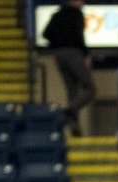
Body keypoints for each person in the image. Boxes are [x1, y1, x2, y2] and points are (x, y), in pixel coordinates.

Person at [43, 0, 93, 136]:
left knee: (72, 92)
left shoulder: (57, 15)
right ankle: (67, 111)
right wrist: (86, 54)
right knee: (90, 89)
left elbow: (46, 34)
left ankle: (74, 127)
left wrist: (57, 44)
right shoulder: (76, 14)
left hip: (59, 55)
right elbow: (79, 36)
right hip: (73, 53)